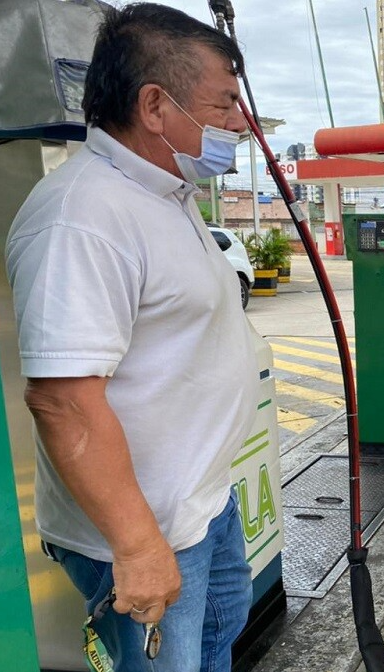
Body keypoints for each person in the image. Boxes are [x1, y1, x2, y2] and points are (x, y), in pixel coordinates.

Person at [5, 4, 259, 671]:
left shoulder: (166, 195)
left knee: (214, 645)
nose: (242, 122)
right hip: (142, 532)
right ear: (154, 105)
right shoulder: (82, 217)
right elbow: (64, 403)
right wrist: (139, 545)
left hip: (200, 504)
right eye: (226, 103)